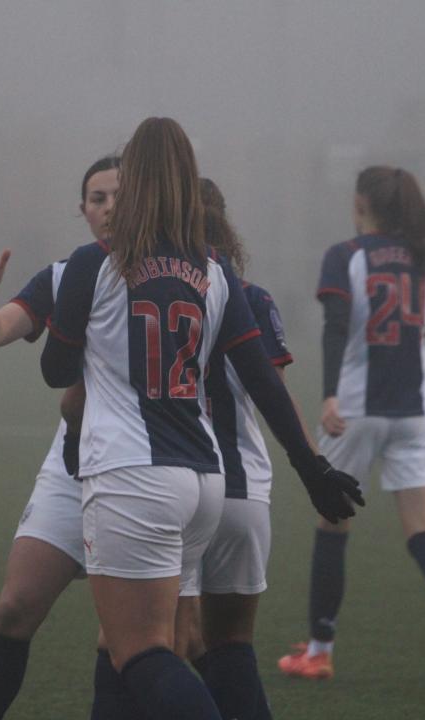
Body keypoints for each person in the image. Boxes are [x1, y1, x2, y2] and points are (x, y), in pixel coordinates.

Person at [41, 117, 362, 720]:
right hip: (204, 481)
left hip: (131, 475)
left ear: (132, 182)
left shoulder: (95, 262)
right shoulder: (214, 269)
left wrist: (80, 332)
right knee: (154, 649)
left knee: (138, 651)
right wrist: (312, 467)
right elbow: (263, 380)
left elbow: (56, 371)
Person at [279, 165, 425, 693]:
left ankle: (320, 651)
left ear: (361, 203)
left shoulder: (345, 255)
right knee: (423, 532)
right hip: (415, 412)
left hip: (353, 410)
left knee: (333, 524)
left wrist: (329, 394)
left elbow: (335, 329)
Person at [0, 156, 119, 720]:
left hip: (139, 467)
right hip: (73, 463)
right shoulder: (66, 274)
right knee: (15, 608)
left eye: (120, 197)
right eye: (97, 198)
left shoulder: (167, 275)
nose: (109, 208)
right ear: (83, 210)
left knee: (123, 637)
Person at [183, 178, 293, 720]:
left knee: (152, 645)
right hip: (242, 488)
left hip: (171, 483)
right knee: (230, 643)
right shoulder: (252, 297)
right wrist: (313, 463)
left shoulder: (146, 294)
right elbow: (275, 395)